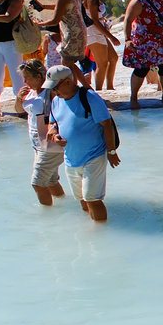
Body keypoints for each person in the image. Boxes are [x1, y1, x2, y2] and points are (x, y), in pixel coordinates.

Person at [44, 63, 120, 223]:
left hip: (94, 155)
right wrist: (54, 133)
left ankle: (102, 234)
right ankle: (90, 227)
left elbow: (106, 124)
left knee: (93, 199)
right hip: (71, 159)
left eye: (55, 87)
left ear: (67, 82)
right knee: (83, 199)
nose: (54, 91)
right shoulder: (56, 101)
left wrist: (111, 152)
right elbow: (53, 123)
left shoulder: (89, 98)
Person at [19, 60, 66, 207]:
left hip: (50, 145)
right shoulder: (30, 93)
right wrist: (18, 98)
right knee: (51, 181)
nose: (25, 81)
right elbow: (20, 110)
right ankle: (65, 205)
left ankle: (48, 219)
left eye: (27, 77)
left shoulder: (51, 92)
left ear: (39, 76)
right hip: (38, 145)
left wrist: (56, 130)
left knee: (38, 183)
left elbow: (64, 112)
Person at [33, 0, 88, 87]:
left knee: (67, 63)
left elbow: (55, 20)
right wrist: (44, 7)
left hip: (72, 33)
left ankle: (76, 88)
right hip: (78, 31)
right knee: (69, 63)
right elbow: (61, 6)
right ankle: (83, 87)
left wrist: (40, 24)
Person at [81, 0, 121, 91]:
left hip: (98, 30)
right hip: (94, 32)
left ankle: (110, 87)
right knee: (102, 63)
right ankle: (99, 90)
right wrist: (111, 37)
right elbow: (94, 20)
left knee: (113, 58)